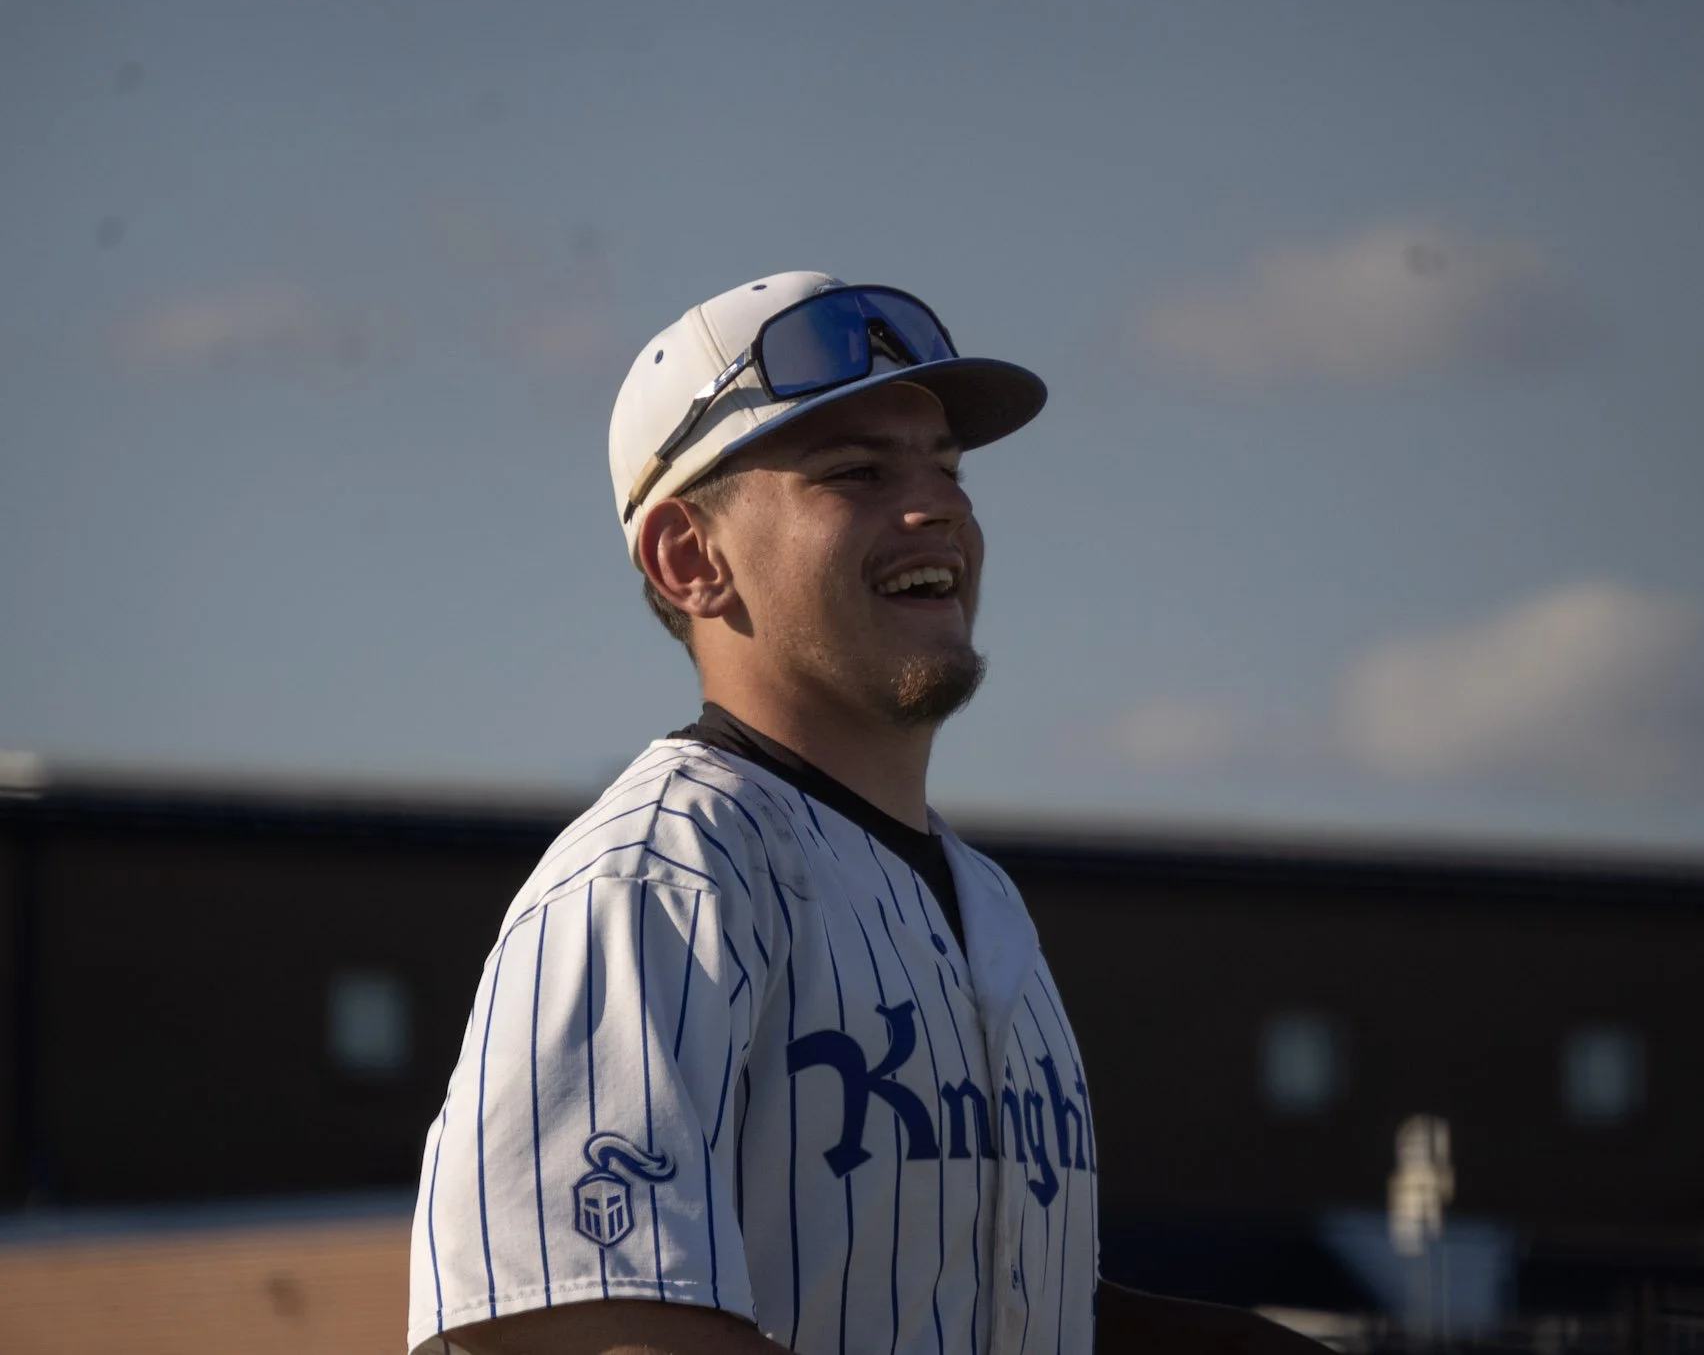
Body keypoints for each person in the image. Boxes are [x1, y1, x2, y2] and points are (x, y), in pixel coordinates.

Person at [406, 272, 1322, 1354]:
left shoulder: (983, 900)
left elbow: (1022, 1313)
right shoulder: (658, 878)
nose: (938, 505)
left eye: (945, 466)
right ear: (688, 558)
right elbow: (591, 1323)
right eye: (855, 471)